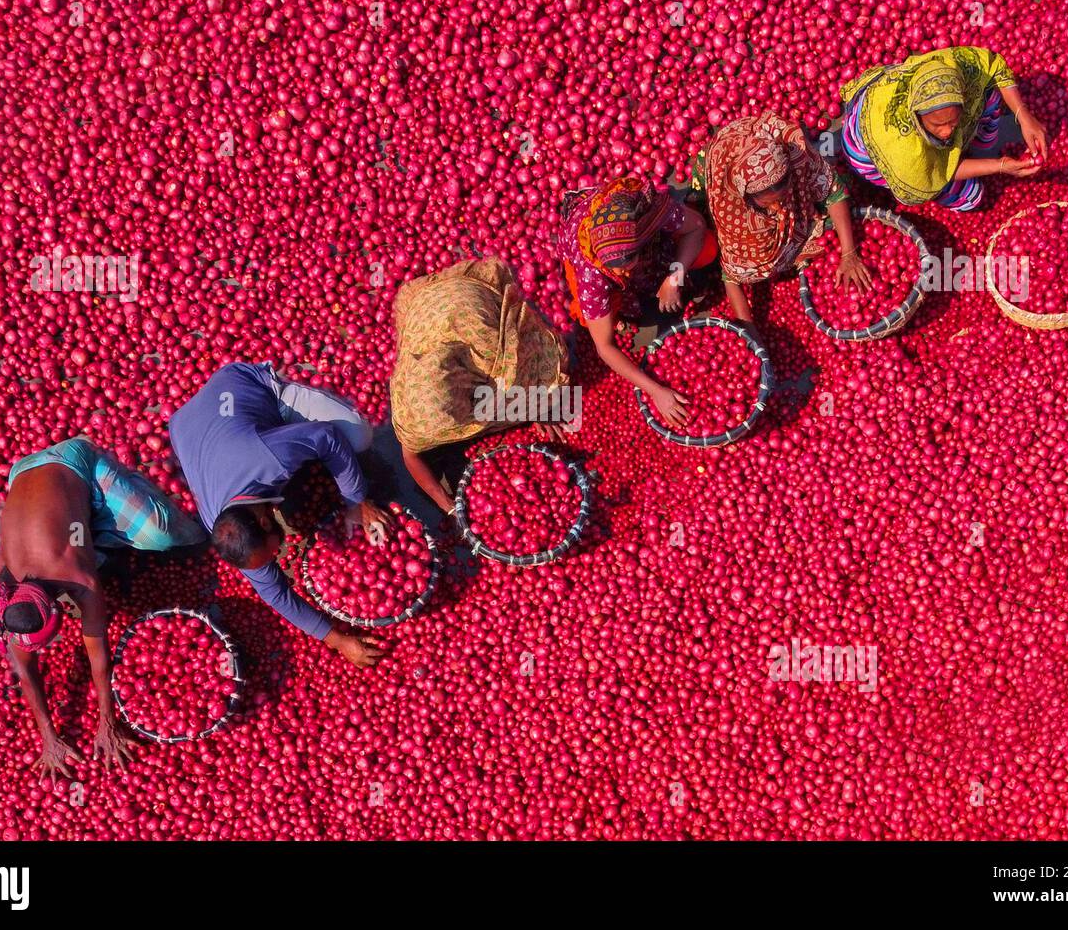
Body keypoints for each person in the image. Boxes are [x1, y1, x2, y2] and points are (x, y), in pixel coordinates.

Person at [0, 437, 207, 782]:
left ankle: (136, 499)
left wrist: (107, 721)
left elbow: (99, 655)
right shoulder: (6, 595)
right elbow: (23, 665)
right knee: (82, 536)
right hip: (21, 475)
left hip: (73, 461)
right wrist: (47, 736)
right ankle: (91, 523)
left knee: (166, 534)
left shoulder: (75, 575)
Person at [168, 362, 392, 668]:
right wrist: (337, 641)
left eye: (273, 551)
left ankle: (283, 403)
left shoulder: (265, 458)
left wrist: (356, 500)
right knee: (298, 492)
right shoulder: (223, 528)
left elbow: (327, 437)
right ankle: (287, 443)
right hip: (185, 428)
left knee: (358, 437)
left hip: (239, 386)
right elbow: (275, 593)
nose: (277, 556)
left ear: (262, 520)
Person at [390, 256, 573, 515]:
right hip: (427, 319)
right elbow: (411, 455)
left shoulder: (487, 344)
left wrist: (537, 407)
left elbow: (538, 357)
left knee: (539, 372)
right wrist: (442, 498)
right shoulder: (413, 406)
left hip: (466, 308)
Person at [558, 175, 715, 429]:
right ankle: (621, 311)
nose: (622, 274)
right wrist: (655, 390)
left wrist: (674, 278)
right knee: (595, 318)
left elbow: (696, 226)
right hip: (586, 255)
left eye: (625, 267)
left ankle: (655, 276)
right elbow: (605, 348)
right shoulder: (592, 274)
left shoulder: (645, 213)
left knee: (707, 247)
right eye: (616, 271)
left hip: (634, 239)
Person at [692, 112, 871, 323]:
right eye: (768, 203)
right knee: (711, 225)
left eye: (783, 196)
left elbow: (833, 191)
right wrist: (750, 337)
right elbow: (732, 276)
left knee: (841, 195)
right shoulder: (729, 205)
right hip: (720, 164)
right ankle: (696, 198)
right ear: (747, 196)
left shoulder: (792, 153)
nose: (778, 208)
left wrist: (849, 254)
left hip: (761, 146)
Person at [839, 46, 1051, 210]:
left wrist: (1024, 116)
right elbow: (935, 176)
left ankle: (973, 147)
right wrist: (1000, 165)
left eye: (953, 121)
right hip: (869, 153)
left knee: (990, 95)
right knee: (972, 197)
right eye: (937, 125)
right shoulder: (903, 151)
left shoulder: (955, 65)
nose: (948, 131)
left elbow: (995, 68)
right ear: (917, 115)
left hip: (893, 99)